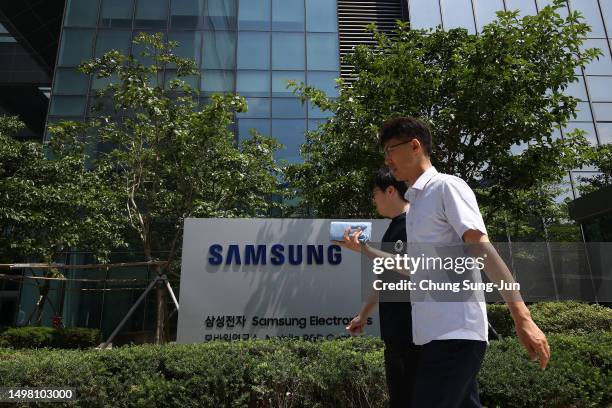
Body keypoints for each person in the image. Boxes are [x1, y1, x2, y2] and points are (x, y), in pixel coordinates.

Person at [336, 117, 550, 408]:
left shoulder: (447, 187)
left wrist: (522, 317)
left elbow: (480, 248)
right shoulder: (416, 206)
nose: (387, 160)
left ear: (414, 146)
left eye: (390, 149)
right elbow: (414, 269)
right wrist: (363, 250)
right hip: (432, 338)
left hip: (456, 334)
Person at [345, 166, 416, 408]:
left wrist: (365, 249)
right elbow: (386, 279)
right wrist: (362, 316)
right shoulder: (394, 227)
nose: (373, 199)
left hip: (413, 335)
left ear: (390, 191)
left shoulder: (412, 224)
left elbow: (413, 267)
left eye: (374, 193)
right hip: (397, 336)